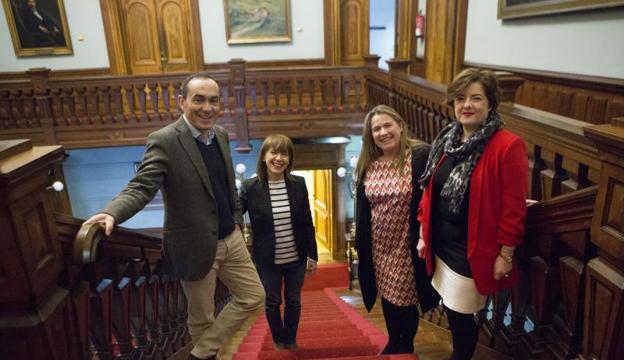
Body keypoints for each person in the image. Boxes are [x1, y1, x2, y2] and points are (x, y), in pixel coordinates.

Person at [83, 72, 265, 360]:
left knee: (255, 296)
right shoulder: (165, 140)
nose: (207, 107)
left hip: (231, 237)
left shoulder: (219, 134)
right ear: (182, 102)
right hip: (193, 245)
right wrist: (111, 213)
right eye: (199, 100)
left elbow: (226, 184)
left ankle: (199, 354)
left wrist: (236, 217)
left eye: (214, 101)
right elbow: (141, 186)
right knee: (201, 318)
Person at [416, 68, 528, 360]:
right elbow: (430, 191)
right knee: (452, 312)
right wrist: (421, 232)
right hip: (440, 244)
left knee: (462, 315)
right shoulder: (447, 140)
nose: (467, 105)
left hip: (472, 251)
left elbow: (514, 209)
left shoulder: (507, 146)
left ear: (490, 103)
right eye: (460, 98)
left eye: (476, 98)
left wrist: (506, 254)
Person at [354, 105, 440, 355]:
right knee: (388, 295)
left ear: (400, 125)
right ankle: (394, 340)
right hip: (379, 245)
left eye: (387, 125)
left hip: (408, 241)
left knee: (405, 296)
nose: (382, 132)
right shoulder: (367, 163)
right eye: (376, 129)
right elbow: (363, 209)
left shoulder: (420, 155)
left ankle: (406, 343)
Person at [239, 134, 318, 350]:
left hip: (297, 258)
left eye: (284, 153)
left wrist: (313, 255)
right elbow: (235, 214)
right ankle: (278, 338)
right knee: (273, 301)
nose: (279, 158)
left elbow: (306, 221)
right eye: (274, 152)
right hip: (267, 260)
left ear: (289, 159)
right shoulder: (250, 187)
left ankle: (290, 339)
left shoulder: (298, 184)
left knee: (294, 301)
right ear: (264, 156)